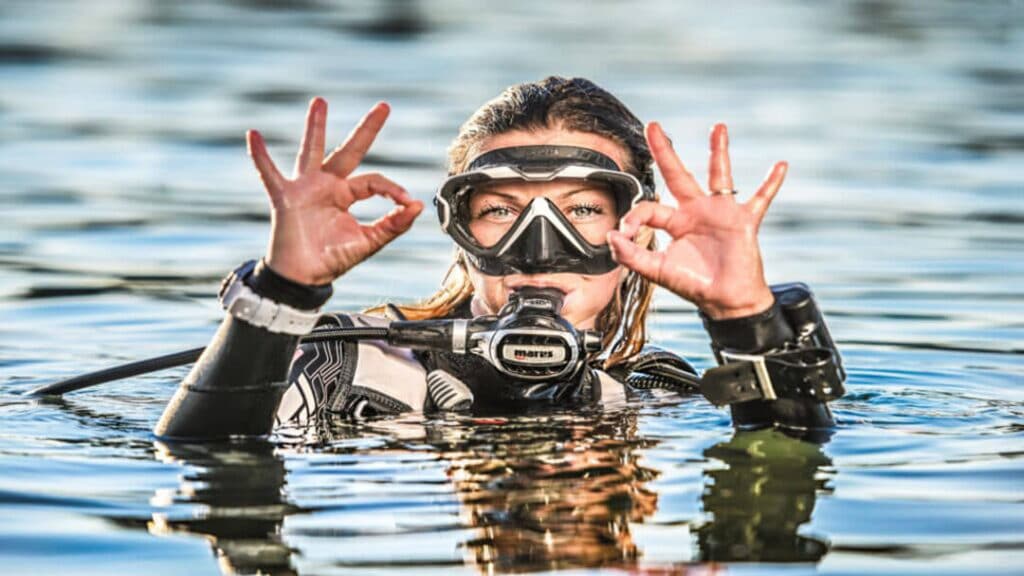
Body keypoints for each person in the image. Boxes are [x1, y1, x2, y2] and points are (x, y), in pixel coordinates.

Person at [154, 76, 844, 439]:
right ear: (460, 233)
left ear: (634, 238)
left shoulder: (660, 392)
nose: (537, 249)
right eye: (499, 211)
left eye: (580, 212)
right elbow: (207, 469)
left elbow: (778, 515)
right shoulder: (347, 362)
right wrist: (284, 294)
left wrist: (744, 319)